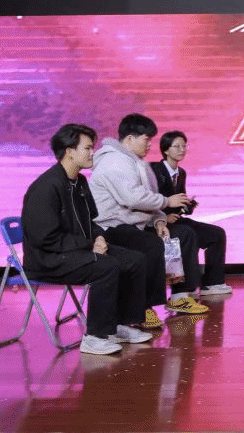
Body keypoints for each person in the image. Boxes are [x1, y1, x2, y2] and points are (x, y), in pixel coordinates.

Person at [20, 123, 152, 355]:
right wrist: (89, 245)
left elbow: (90, 221)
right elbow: (45, 239)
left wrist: (98, 237)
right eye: (88, 148)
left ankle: (118, 325)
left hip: (76, 250)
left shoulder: (79, 182)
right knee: (107, 267)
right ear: (70, 151)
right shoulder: (46, 188)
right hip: (48, 259)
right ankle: (95, 337)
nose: (93, 153)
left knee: (135, 260)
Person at [91, 113, 209, 324]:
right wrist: (166, 201)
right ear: (130, 138)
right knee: (152, 245)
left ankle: (180, 296)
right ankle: (143, 307)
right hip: (112, 226)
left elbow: (147, 199)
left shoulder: (136, 161)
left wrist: (159, 221)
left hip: (135, 223)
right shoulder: (114, 161)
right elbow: (133, 198)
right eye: (146, 139)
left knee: (183, 235)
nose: (149, 145)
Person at [151, 131, 231, 296]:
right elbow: (148, 200)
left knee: (216, 234)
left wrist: (187, 206)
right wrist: (164, 217)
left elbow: (178, 202)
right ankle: (187, 287)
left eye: (184, 146)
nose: (182, 150)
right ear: (165, 150)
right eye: (177, 146)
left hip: (176, 220)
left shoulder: (181, 173)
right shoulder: (154, 171)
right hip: (157, 223)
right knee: (188, 234)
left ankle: (212, 283)